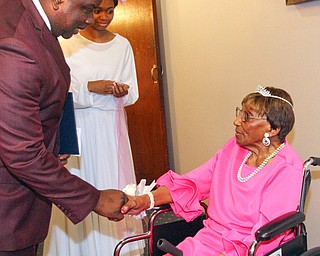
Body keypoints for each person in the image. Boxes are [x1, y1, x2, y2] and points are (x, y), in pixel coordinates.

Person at [0, 0, 128, 255]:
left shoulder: (25, 18)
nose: (91, 19)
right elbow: (23, 154)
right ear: (58, 1)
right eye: (87, 8)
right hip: (8, 211)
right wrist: (96, 199)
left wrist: (54, 144)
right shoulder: (18, 45)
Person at [122, 86, 304, 256]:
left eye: (247, 116)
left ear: (273, 129)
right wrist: (146, 200)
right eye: (240, 113)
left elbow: (269, 235)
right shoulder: (234, 148)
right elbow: (193, 183)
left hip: (248, 249)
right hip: (208, 240)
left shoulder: (287, 168)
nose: (237, 121)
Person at [43, 0, 143, 255]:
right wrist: (90, 87)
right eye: (97, 10)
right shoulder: (67, 42)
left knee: (112, 179)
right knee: (82, 181)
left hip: (111, 128)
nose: (103, 17)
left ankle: (117, 247)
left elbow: (132, 94)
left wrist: (119, 91)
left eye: (110, 11)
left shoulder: (122, 45)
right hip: (80, 127)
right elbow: (58, 92)